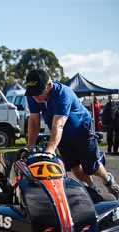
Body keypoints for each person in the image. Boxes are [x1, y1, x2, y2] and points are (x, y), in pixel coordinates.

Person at [25, 69, 119, 199]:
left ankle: (108, 180)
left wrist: (50, 150)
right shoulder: (33, 96)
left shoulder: (62, 93)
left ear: (49, 86)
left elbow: (59, 123)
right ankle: (92, 188)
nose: (35, 97)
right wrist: (30, 146)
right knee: (74, 166)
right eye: (32, 93)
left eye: (38, 93)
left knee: (91, 166)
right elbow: (34, 120)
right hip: (61, 135)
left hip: (81, 129)